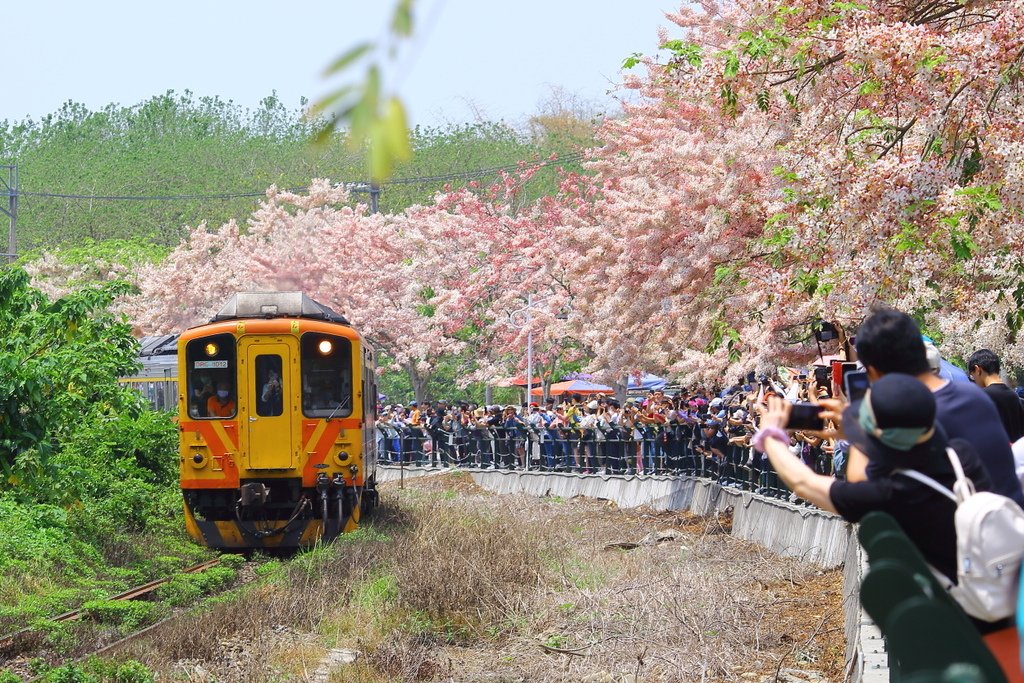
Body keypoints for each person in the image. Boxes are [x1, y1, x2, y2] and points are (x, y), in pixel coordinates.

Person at [755, 373, 1003, 633]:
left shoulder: (889, 493)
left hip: (954, 630)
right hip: (997, 600)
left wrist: (771, 435)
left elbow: (803, 483)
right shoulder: (962, 457)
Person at [853, 308, 1024, 505]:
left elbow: (859, 491)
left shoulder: (910, 417)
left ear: (873, 372)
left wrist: (856, 421)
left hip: (960, 532)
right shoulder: (976, 396)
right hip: (1009, 523)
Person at [967, 348, 1024, 442]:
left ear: (977, 370)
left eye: (972, 376)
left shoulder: (981, 397)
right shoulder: (1014, 396)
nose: (974, 381)